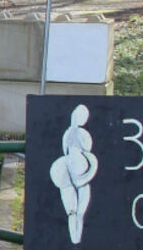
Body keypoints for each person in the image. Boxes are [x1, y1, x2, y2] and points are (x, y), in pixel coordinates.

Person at [50, 104, 99, 244]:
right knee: (77, 211)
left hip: (75, 171)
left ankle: (76, 239)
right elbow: (87, 150)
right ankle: (75, 239)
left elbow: (67, 150)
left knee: (74, 210)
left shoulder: (69, 134)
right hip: (76, 172)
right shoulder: (81, 135)